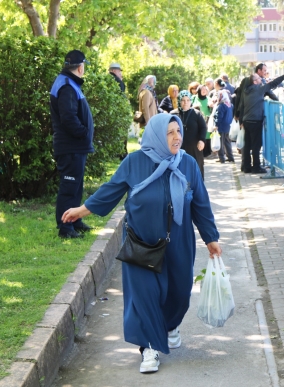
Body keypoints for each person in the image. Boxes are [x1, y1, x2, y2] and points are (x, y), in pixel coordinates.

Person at [61, 113, 222, 374]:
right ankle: (148, 348)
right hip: (141, 242)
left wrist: (211, 237)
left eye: (178, 131)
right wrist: (82, 210)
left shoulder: (188, 164)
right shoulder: (135, 162)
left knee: (180, 294)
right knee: (144, 296)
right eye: (170, 132)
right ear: (158, 135)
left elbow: (201, 203)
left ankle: (169, 325)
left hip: (178, 242)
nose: (177, 137)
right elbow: (111, 190)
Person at [50, 50, 94, 239]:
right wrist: (83, 133)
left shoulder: (69, 83)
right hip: (71, 146)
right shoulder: (67, 85)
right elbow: (68, 118)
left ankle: (74, 220)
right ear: (80, 67)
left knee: (76, 186)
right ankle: (65, 227)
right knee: (69, 187)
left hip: (75, 147)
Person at [238, 72, 284, 173]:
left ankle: (246, 167)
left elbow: (242, 106)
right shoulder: (259, 89)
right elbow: (273, 84)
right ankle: (256, 167)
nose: (261, 79)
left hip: (247, 120)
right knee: (256, 145)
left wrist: (241, 120)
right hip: (255, 120)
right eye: (259, 78)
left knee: (247, 144)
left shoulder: (246, 91)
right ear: (255, 82)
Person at [171, 90, 207, 178]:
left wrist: (202, 140)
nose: (185, 103)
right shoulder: (173, 114)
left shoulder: (196, 113)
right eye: (183, 100)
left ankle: (198, 189)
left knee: (196, 169)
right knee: (180, 169)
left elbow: (203, 127)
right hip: (178, 147)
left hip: (194, 148)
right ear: (179, 101)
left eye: (188, 100)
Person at [213, 90, 235, 164]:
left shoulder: (221, 105)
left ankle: (222, 158)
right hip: (228, 126)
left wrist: (216, 124)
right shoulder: (230, 105)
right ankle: (230, 157)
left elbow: (219, 116)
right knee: (227, 142)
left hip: (221, 126)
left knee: (221, 143)